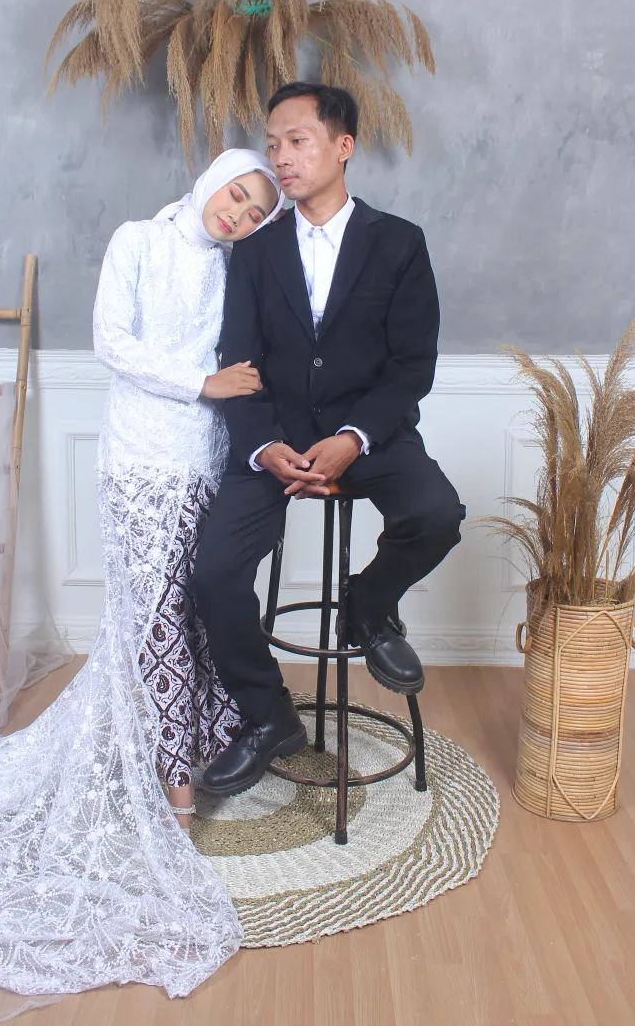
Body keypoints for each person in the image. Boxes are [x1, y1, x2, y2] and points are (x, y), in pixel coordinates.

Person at [0, 149, 284, 1010]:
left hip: (209, 459)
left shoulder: (238, 269)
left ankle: (196, 741)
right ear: (212, 178)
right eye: (236, 193)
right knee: (151, 618)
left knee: (196, 613)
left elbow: (251, 355)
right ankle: (173, 784)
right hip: (140, 458)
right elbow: (113, 343)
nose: (239, 213)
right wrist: (202, 382)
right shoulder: (139, 240)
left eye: (257, 210)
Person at [193, 83, 466, 796]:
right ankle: (267, 715)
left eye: (297, 141)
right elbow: (237, 360)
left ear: (343, 146)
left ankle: (367, 606)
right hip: (275, 439)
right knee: (213, 572)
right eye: (272, 144)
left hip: (370, 433)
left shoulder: (398, 242)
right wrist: (262, 446)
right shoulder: (255, 250)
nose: (280, 157)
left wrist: (354, 436)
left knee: (437, 514)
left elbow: (412, 366)